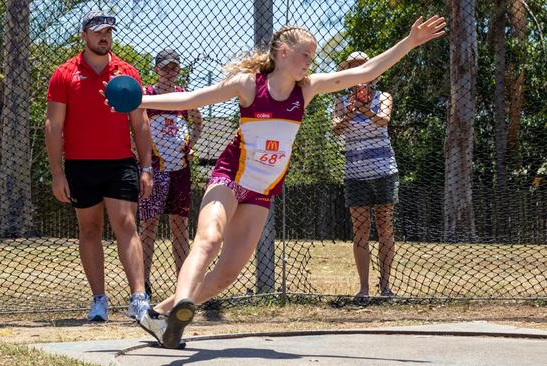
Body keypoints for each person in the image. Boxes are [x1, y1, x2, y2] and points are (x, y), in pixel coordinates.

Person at [106, 16, 446, 348]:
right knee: (208, 239)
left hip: (262, 191)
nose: (309, 64)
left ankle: (162, 313)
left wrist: (410, 42)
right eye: (305, 56)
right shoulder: (249, 84)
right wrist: (140, 100)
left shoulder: (307, 90)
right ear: (283, 51)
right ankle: (183, 303)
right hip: (230, 176)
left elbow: (364, 73)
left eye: (312, 58)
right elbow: (190, 100)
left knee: (227, 274)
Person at [44, 10, 153, 322]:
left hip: (120, 164)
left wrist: (146, 168)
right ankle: (99, 301)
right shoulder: (64, 73)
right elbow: (53, 125)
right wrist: (57, 173)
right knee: (89, 229)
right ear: (84, 36)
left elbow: (140, 122)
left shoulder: (126, 72)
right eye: (97, 31)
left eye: (108, 31)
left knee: (126, 224)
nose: (104, 36)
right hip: (79, 166)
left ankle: (138, 299)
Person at [332, 51, 398, 300]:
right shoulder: (340, 102)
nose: (360, 72)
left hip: (384, 171)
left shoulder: (383, 97)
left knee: (385, 229)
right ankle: (363, 288)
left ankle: (386, 286)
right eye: (354, 67)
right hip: (355, 174)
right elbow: (337, 128)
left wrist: (365, 109)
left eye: (364, 66)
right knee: (360, 230)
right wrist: (351, 111)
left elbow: (384, 121)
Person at [139, 49, 203, 298]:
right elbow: (133, 124)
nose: (170, 72)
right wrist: (138, 152)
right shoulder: (147, 95)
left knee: (180, 227)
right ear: (156, 70)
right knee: (148, 226)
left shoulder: (183, 96)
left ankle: (183, 286)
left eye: (174, 68)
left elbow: (198, 122)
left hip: (180, 170)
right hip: (153, 171)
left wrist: (192, 146)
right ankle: (143, 284)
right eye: (165, 68)